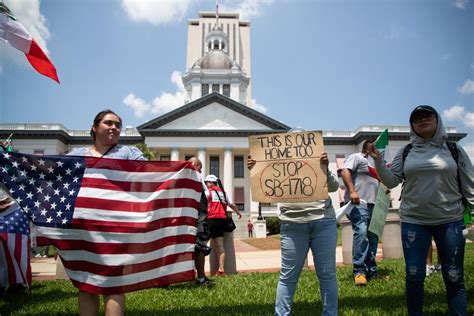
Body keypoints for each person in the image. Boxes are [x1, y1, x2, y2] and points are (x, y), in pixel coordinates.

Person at [367, 105, 472, 315]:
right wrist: (379, 161)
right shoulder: (406, 151)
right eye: (417, 118)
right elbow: (392, 181)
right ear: (412, 126)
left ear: (437, 120)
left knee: (453, 275)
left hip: (450, 219)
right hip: (414, 221)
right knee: (414, 275)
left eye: (427, 116)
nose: (422, 120)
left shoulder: (453, 149)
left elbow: (469, 184)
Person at [68, 110, 145, 316]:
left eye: (117, 125)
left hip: (115, 226)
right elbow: (51, 171)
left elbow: (150, 171)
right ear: (94, 127)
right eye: (108, 123)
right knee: (86, 282)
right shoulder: (77, 154)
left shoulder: (128, 153)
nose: (114, 127)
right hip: (82, 226)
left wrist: (185, 168)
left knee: (113, 282)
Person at [248, 151, 339, 316]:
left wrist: (325, 168)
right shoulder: (278, 167)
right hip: (292, 224)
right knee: (288, 275)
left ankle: (330, 313)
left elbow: (333, 187)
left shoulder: (318, 162)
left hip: (323, 221)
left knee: (327, 274)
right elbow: (264, 188)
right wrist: (257, 169)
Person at [341, 140, 379, 286]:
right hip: (358, 202)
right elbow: (345, 171)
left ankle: (372, 271)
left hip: (373, 203)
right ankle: (359, 272)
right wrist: (352, 191)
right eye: (373, 145)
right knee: (362, 232)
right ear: (366, 148)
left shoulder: (375, 163)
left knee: (372, 236)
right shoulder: (356, 157)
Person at [204, 174, 241, 276]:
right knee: (220, 246)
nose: (206, 185)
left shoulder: (207, 192)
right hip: (221, 221)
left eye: (206, 182)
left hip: (210, 220)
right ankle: (221, 270)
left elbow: (200, 204)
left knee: (201, 245)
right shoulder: (223, 194)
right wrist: (238, 212)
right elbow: (232, 204)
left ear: (211, 183)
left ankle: (199, 272)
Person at [188, 157, 214, 287]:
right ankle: (198, 277)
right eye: (199, 166)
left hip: (201, 218)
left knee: (200, 248)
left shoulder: (199, 180)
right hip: (196, 218)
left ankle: (200, 277)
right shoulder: (190, 178)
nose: (200, 169)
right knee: (197, 248)